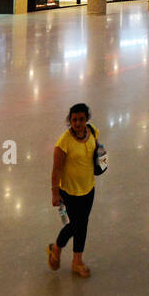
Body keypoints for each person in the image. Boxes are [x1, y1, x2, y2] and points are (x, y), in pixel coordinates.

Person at [48, 102, 104, 278]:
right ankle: (56, 248)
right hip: (69, 192)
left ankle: (77, 261)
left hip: (88, 189)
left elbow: (98, 150)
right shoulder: (63, 143)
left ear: (86, 119)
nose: (78, 123)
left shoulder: (93, 131)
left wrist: (102, 160)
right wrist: (55, 193)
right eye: (74, 120)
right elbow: (56, 170)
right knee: (75, 225)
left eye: (81, 119)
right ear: (69, 121)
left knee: (83, 224)